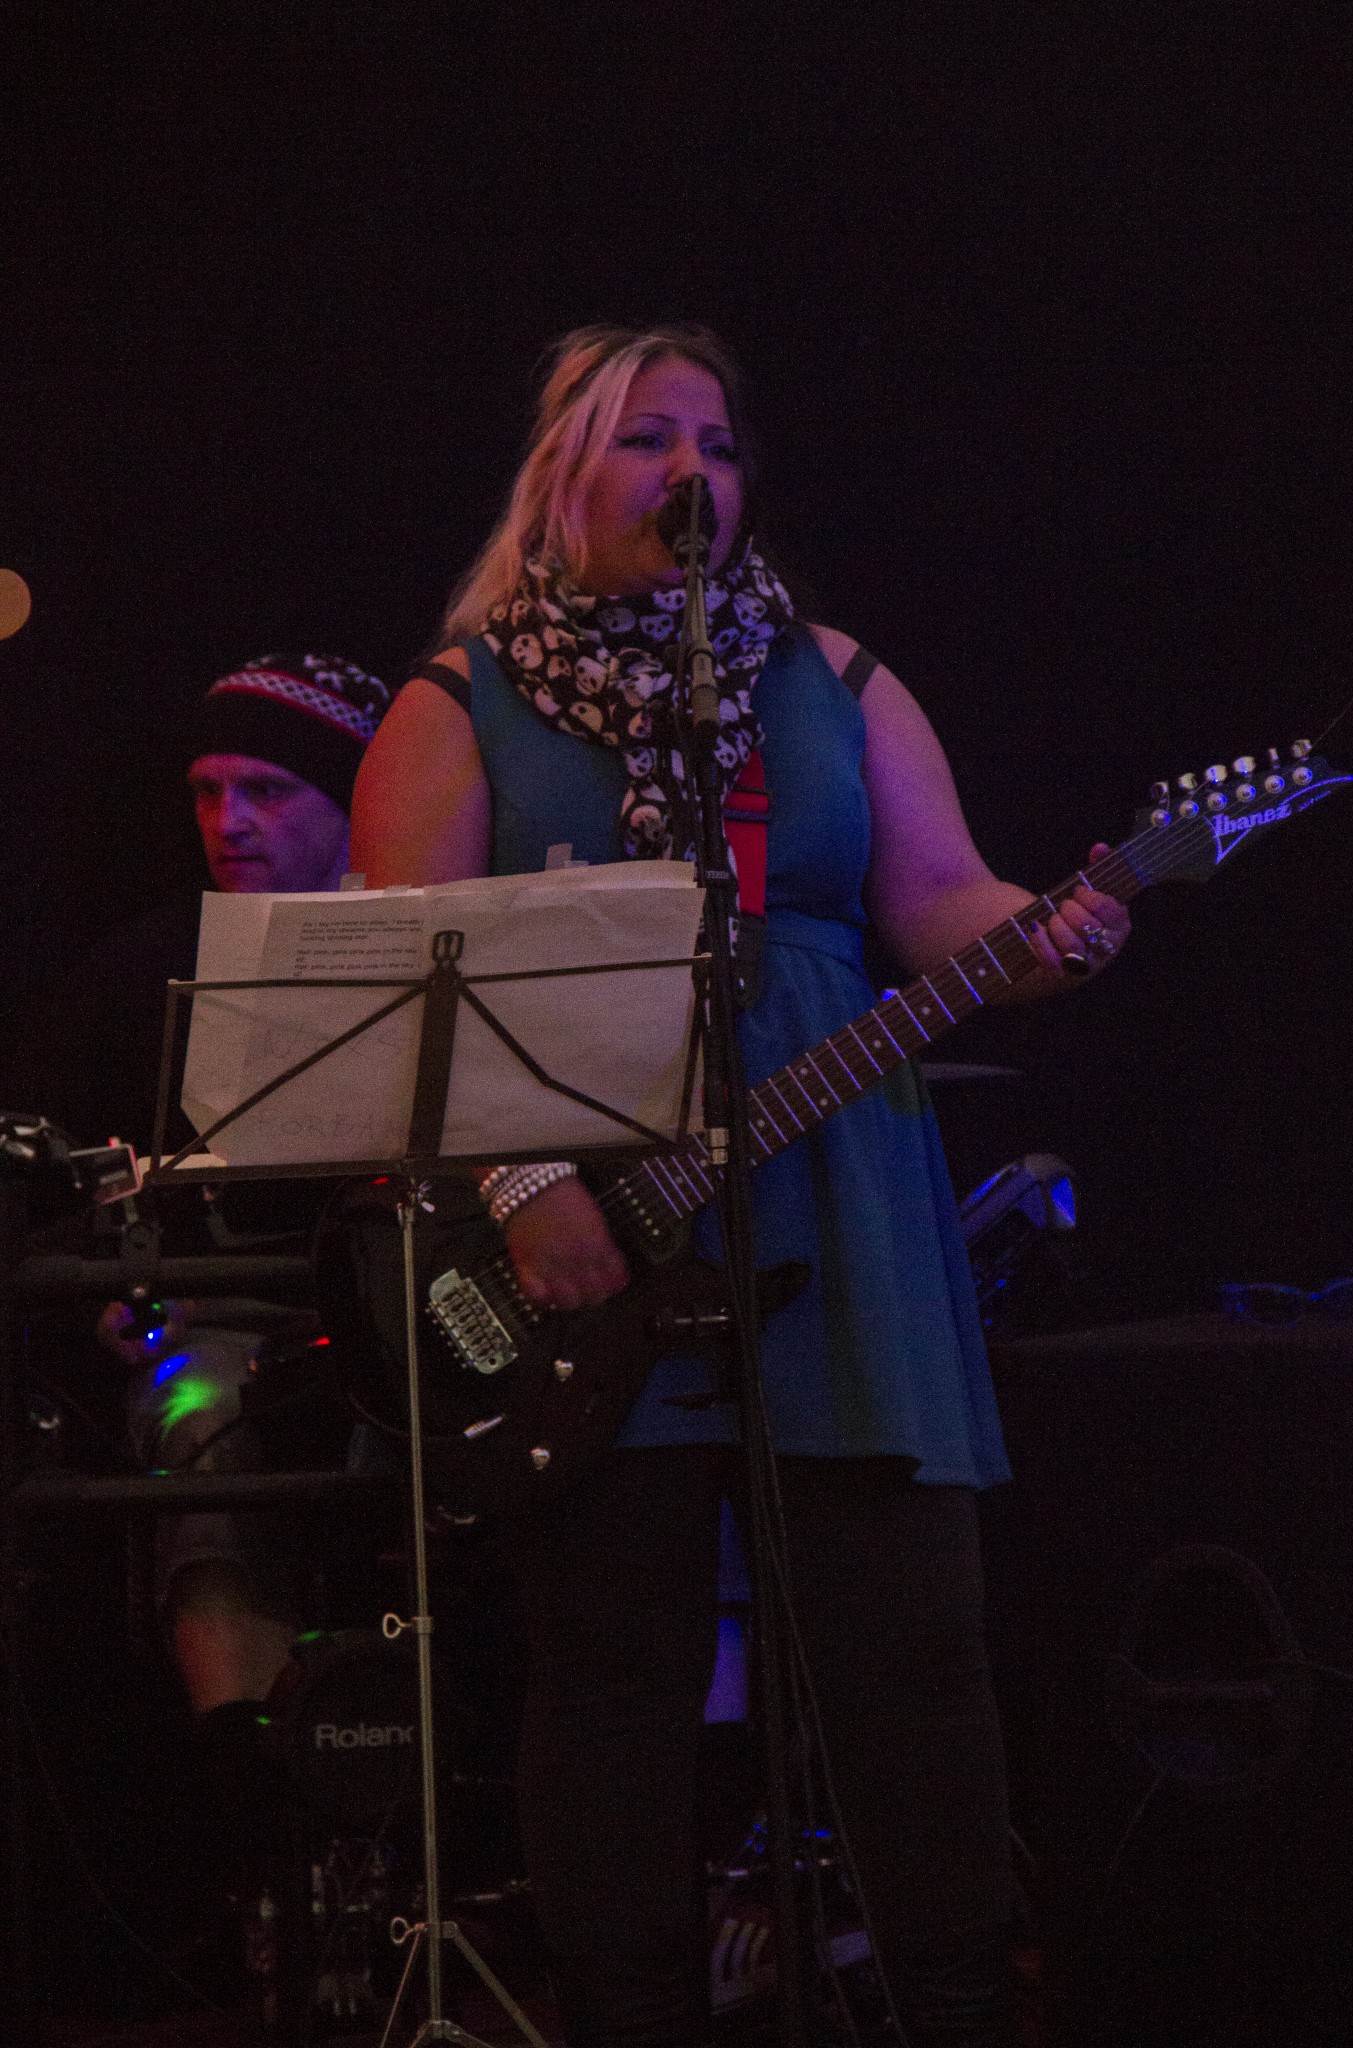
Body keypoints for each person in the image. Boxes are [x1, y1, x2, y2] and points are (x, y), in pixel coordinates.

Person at [350, 325, 1131, 2048]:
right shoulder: (455, 703)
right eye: (645, 438)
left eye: (712, 440)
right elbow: (402, 989)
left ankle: (950, 2006)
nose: (689, 470)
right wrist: (524, 1185)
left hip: (834, 1193)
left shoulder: (834, 677)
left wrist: (1051, 932)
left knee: (911, 1649)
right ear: (563, 476)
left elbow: (939, 900)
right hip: (579, 1222)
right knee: (615, 1665)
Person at [15, 653, 391, 1722]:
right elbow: (42, 1171)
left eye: (268, 789)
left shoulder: (440, 948)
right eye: (208, 790)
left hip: (415, 1317)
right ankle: (250, 1767)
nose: (229, 821)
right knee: (199, 1418)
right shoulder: (139, 971)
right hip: (225, 1328)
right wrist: (99, 1293)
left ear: (353, 800)